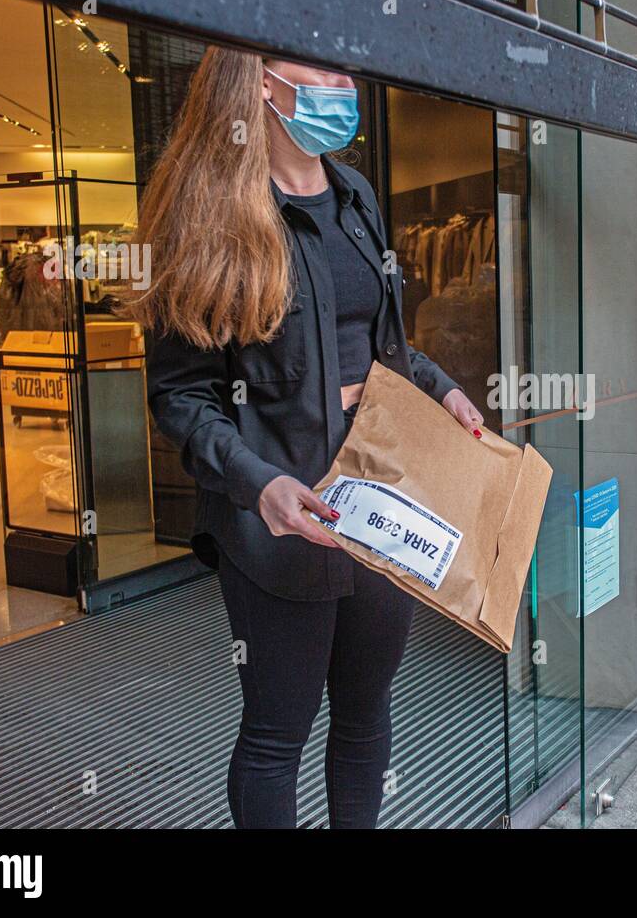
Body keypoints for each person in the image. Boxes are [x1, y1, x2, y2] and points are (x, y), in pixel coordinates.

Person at [134, 47, 484, 829]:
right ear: (262, 81)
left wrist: (444, 388)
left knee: (366, 716)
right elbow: (181, 397)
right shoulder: (208, 218)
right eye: (323, 73)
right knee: (275, 735)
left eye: (349, 73)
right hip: (279, 515)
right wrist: (259, 485)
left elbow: (385, 348)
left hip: (381, 494)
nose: (345, 90)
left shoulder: (356, 198)